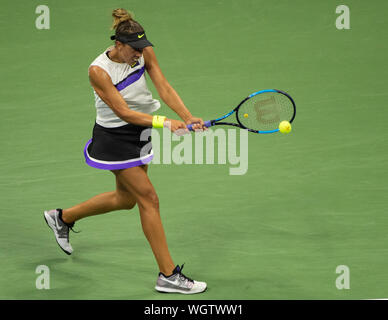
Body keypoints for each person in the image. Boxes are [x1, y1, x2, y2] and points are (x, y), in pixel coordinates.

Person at [43, 8, 207, 294]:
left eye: (142, 49)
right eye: (134, 50)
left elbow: (163, 86)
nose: (139, 55)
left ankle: (63, 217)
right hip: (115, 138)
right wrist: (166, 122)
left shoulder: (143, 51)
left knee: (126, 199)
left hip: (139, 133)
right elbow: (123, 112)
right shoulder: (98, 71)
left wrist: (187, 115)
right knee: (149, 199)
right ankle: (168, 275)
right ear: (118, 45)